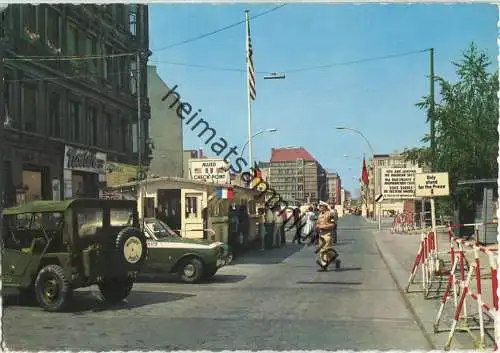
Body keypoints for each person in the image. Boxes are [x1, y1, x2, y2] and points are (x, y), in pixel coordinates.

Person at [314, 201, 341, 271]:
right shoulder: (320, 215)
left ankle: (331, 261)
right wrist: (317, 226)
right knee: (322, 250)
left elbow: (333, 224)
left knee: (326, 250)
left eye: (321, 206)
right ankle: (325, 265)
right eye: (319, 206)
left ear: (325, 207)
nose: (319, 208)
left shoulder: (330, 214)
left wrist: (323, 227)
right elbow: (317, 223)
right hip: (321, 234)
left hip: (327, 234)